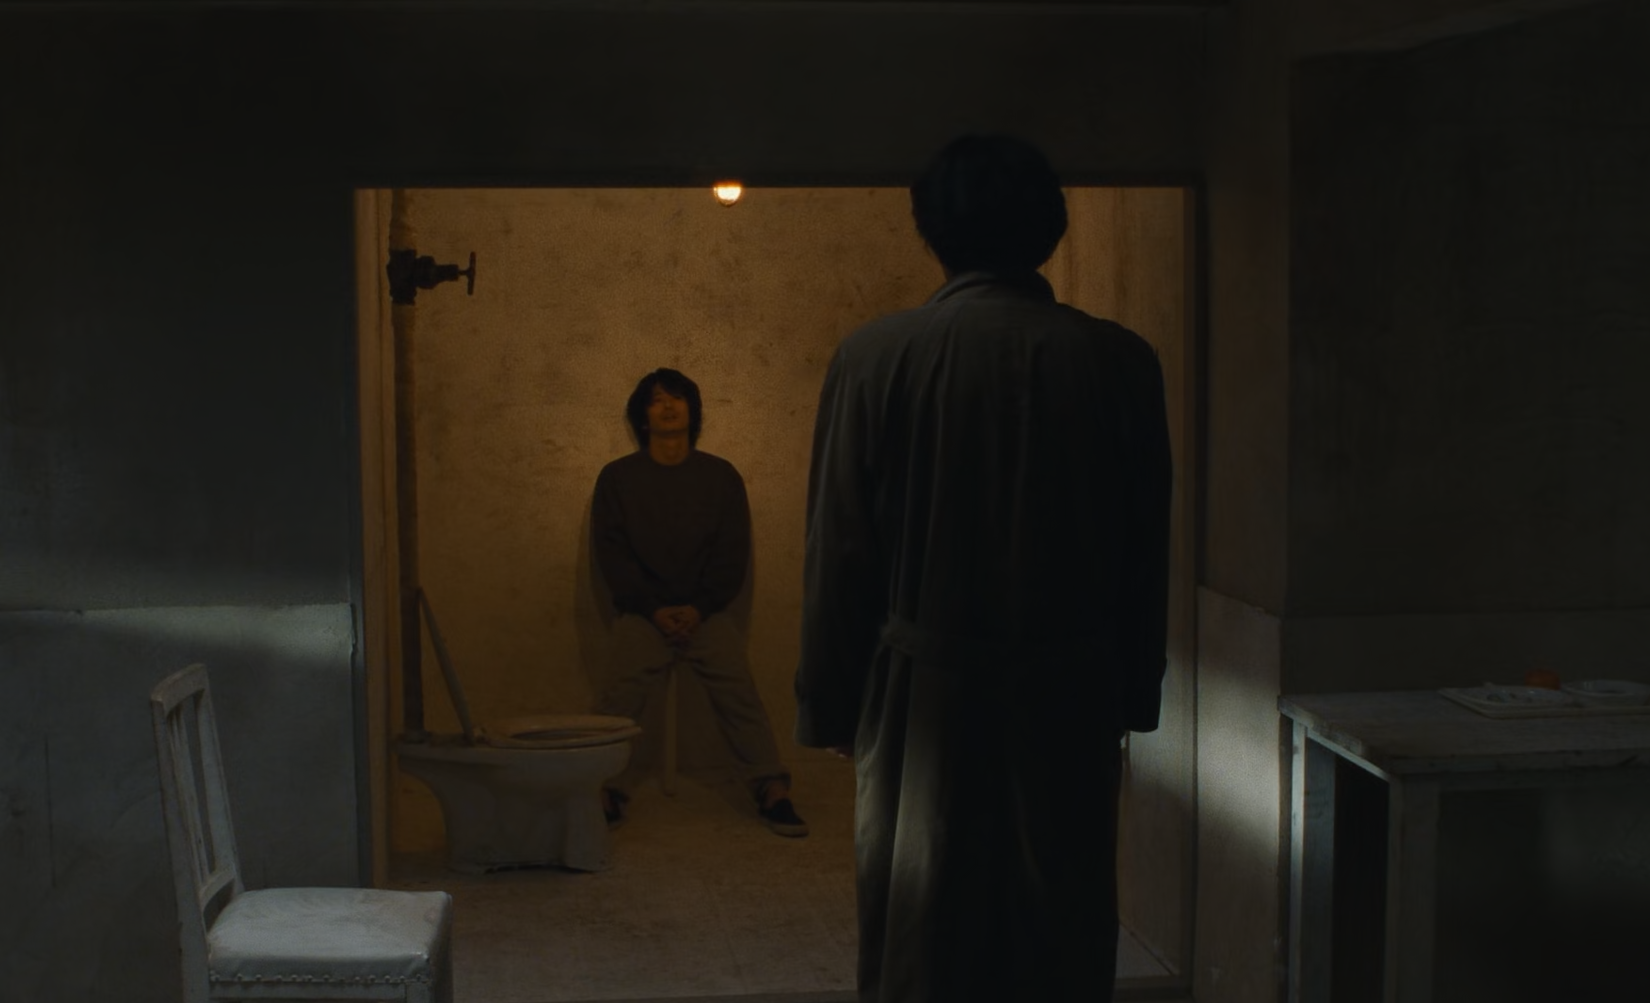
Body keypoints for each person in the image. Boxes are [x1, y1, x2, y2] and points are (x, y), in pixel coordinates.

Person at [795, 135, 1172, 1001]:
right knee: (1058, 931)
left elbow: (841, 548)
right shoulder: (1119, 360)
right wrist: (1131, 695)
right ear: (1049, 227)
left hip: (923, 694)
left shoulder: (875, 356)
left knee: (923, 932)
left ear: (932, 230)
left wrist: (833, 700)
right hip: (1069, 690)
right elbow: (1144, 546)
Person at [591, 367, 807, 837]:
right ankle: (604, 790)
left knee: (739, 693)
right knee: (618, 696)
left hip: (704, 613)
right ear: (643, 417)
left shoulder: (720, 477)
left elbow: (732, 553)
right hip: (644, 613)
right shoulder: (618, 478)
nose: (668, 406)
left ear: (693, 409)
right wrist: (653, 610)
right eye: (656, 400)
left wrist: (699, 608)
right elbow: (611, 554)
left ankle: (771, 788)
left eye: (677, 397)